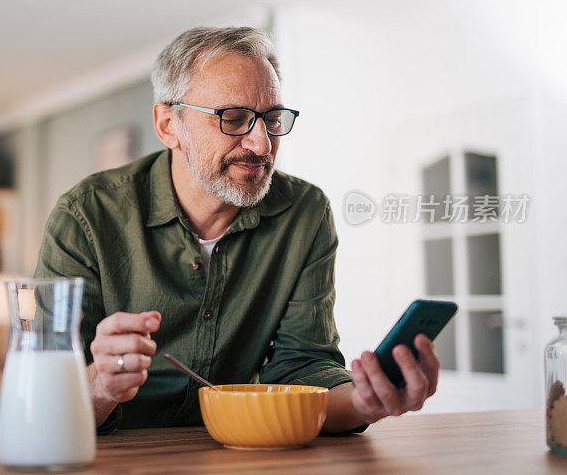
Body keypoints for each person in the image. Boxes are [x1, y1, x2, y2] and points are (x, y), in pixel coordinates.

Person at [34, 26, 439, 433]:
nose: (262, 144)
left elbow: (304, 370)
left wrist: (366, 402)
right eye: (234, 118)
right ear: (167, 125)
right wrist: (101, 385)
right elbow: (44, 401)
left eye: (272, 118)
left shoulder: (304, 212)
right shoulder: (85, 215)